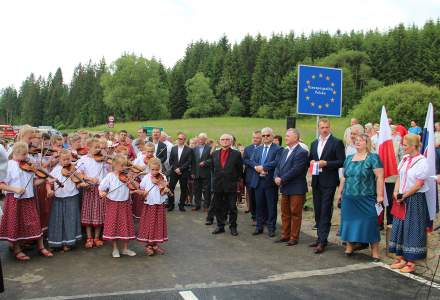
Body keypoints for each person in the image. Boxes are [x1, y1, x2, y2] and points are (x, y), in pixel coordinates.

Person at [0, 142, 53, 260]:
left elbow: (34, 183)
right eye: (24, 154)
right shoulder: (9, 166)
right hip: (15, 200)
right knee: (16, 224)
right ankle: (17, 249)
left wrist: (45, 178)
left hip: (29, 198)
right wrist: (15, 189)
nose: (26, 157)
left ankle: (41, 247)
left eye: (27, 154)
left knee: (35, 222)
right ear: (16, 153)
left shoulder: (28, 165)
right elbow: (1, 184)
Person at [337, 134, 384, 260]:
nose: (357, 142)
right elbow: (344, 177)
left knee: (370, 223)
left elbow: (380, 177)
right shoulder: (349, 158)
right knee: (348, 222)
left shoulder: (373, 158)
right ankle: (350, 246)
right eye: (356, 140)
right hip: (349, 197)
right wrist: (340, 192)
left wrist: (380, 195)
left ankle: (375, 251)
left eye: (361, 140)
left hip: (366, 197)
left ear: (367, 143)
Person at [389, 134, 430, 273]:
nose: (403, 146)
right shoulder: (405, 159)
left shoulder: (422, 161)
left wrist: (404, 195)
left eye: (405, 145)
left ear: (413, 146)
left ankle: (411, 261)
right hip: (402, 197)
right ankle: (401, 257)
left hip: (414, 198)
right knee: (399, 226)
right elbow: (400, 176)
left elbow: (418, 184)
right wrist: (396, 192)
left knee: (412, 228)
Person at [309, 118, 345, 254]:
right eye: (322, 127)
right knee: (318, 210)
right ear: (318, 128)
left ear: (330, 128)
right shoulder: (314, 143)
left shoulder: (336, 142)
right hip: (316, 180)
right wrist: (312, 161)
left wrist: (327, 163)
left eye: (326, 127)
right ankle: (319, 238)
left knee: (325, 210)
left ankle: (323, 240)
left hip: (329, 181)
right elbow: (310, 160)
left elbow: (342, 161)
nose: (324, 129)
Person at [274, 128, 308, 246]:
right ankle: (285, 235)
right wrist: (276, 177)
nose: (286, 137)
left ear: (295, 137)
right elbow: (278, 166)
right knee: (285, 213)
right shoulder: (284, 151)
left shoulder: (301, 152)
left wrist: (282, 179)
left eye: (288, 136)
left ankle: (294, 237)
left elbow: (296, 170)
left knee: (295, 213)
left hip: (296, 188)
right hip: (285, 187)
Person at [98, 154, 137, 258]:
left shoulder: (127, 176)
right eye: (122, 166)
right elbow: (101, 187)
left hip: (124, 203)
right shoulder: (110, 176)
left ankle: (125, 248)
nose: (124, 168)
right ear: (115, 165)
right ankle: (115, 249)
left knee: (126, 225)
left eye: (125, 165)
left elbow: (134, 187)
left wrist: (131, 180)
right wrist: (101, 192)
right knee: (113, 226)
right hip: (113, 204)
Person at [46, 150, 85, 252]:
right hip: (59, 197)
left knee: (70, 219)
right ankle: (56, 242)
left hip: (72, 196)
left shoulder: (74, 169)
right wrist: (49, 190)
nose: (67, 161)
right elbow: (48, 182)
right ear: (59, 159)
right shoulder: (56, 170)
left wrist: (81, 182)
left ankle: (69, 242)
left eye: (68, 159)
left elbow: (79, 181)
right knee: (57, 220)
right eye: (64, 159)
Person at [249, 127, 282, 237]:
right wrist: (256, 167)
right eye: (263, 136)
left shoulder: (278, 149)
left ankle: (271, 228)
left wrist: (263, 167)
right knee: (259, 205)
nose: (265, 137)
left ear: (272, 136)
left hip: (270, 182)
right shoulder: (257, 149)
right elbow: (252, 161)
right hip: (258, 181)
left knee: (271, 206)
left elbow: (277, 162)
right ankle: (259, 227)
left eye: (268, 135)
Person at [77, 138, 108, 249]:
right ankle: (89, 238)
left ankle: (97, 237)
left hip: (100, 189)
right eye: (96, 147)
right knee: (88, 213)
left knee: (98, 214)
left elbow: (108, 173)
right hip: (89, 189)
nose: (99, 149)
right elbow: (79, 174)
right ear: (88, 148)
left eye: (100, 147)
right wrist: (88, 178)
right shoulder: (83, 159)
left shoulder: (102, 160)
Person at [211, 134, 243, 236]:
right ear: (220, 141)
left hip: (231, 185)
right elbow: (213, 169)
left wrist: (234, 180)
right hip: (218, 184)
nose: (225, 141)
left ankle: (233, 227)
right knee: (218, 206)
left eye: (227, 139)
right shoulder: (215, 153)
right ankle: (220, 226)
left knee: (232, 207)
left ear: (231, 141)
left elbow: (239, 170)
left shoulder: (236, 154)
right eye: (222, 139)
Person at [138, 158, 169, 256]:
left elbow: (163, 192)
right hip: (149, 204)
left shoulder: (162, 177)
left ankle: (155, 244)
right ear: (149, 168)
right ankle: (148, 245)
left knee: (157, 224)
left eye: (157, 169)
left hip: (159, 204)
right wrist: (144, 193)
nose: (155, 172)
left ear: (160, 168)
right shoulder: (146, 177)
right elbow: (142, 189)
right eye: (153, 169)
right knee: (149, 224)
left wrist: (165, 190)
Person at [168, 132, 194, 212]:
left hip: (184, 172)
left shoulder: (189, 149)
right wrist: (176, 169)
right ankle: (171, 204)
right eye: (178, 138)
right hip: (174, 172)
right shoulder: (173, 148)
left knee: (184, 189)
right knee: (171, 188)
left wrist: (180, 169)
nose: (179, 140)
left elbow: (189, 161)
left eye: (181, 139)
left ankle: (181, 205)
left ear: (184, 140)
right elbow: (171, 160)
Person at [243, 130, 262, 225]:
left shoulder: (264, 148)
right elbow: (245, 160)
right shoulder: (248, 149)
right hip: (250, 177)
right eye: (254, 137)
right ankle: (254, 217)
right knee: (252, 198)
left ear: (261, 138)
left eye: (257, 138)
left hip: (262, 177)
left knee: (261, 199)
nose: (255, 139)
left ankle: (262, 217)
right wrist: (255, 166)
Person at [193, 133, 212, 212]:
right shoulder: (194, 148)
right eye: (199, 138)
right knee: (197, 190)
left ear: (205, 140)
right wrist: (192, 172)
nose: (200, 140)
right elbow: (192, 162)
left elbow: (212, 159)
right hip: (196, 173)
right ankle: (197, 205)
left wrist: (205, 162)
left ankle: (206, 206)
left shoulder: (209, 148)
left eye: (202, 139)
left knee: (207, 191)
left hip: (206, 173)